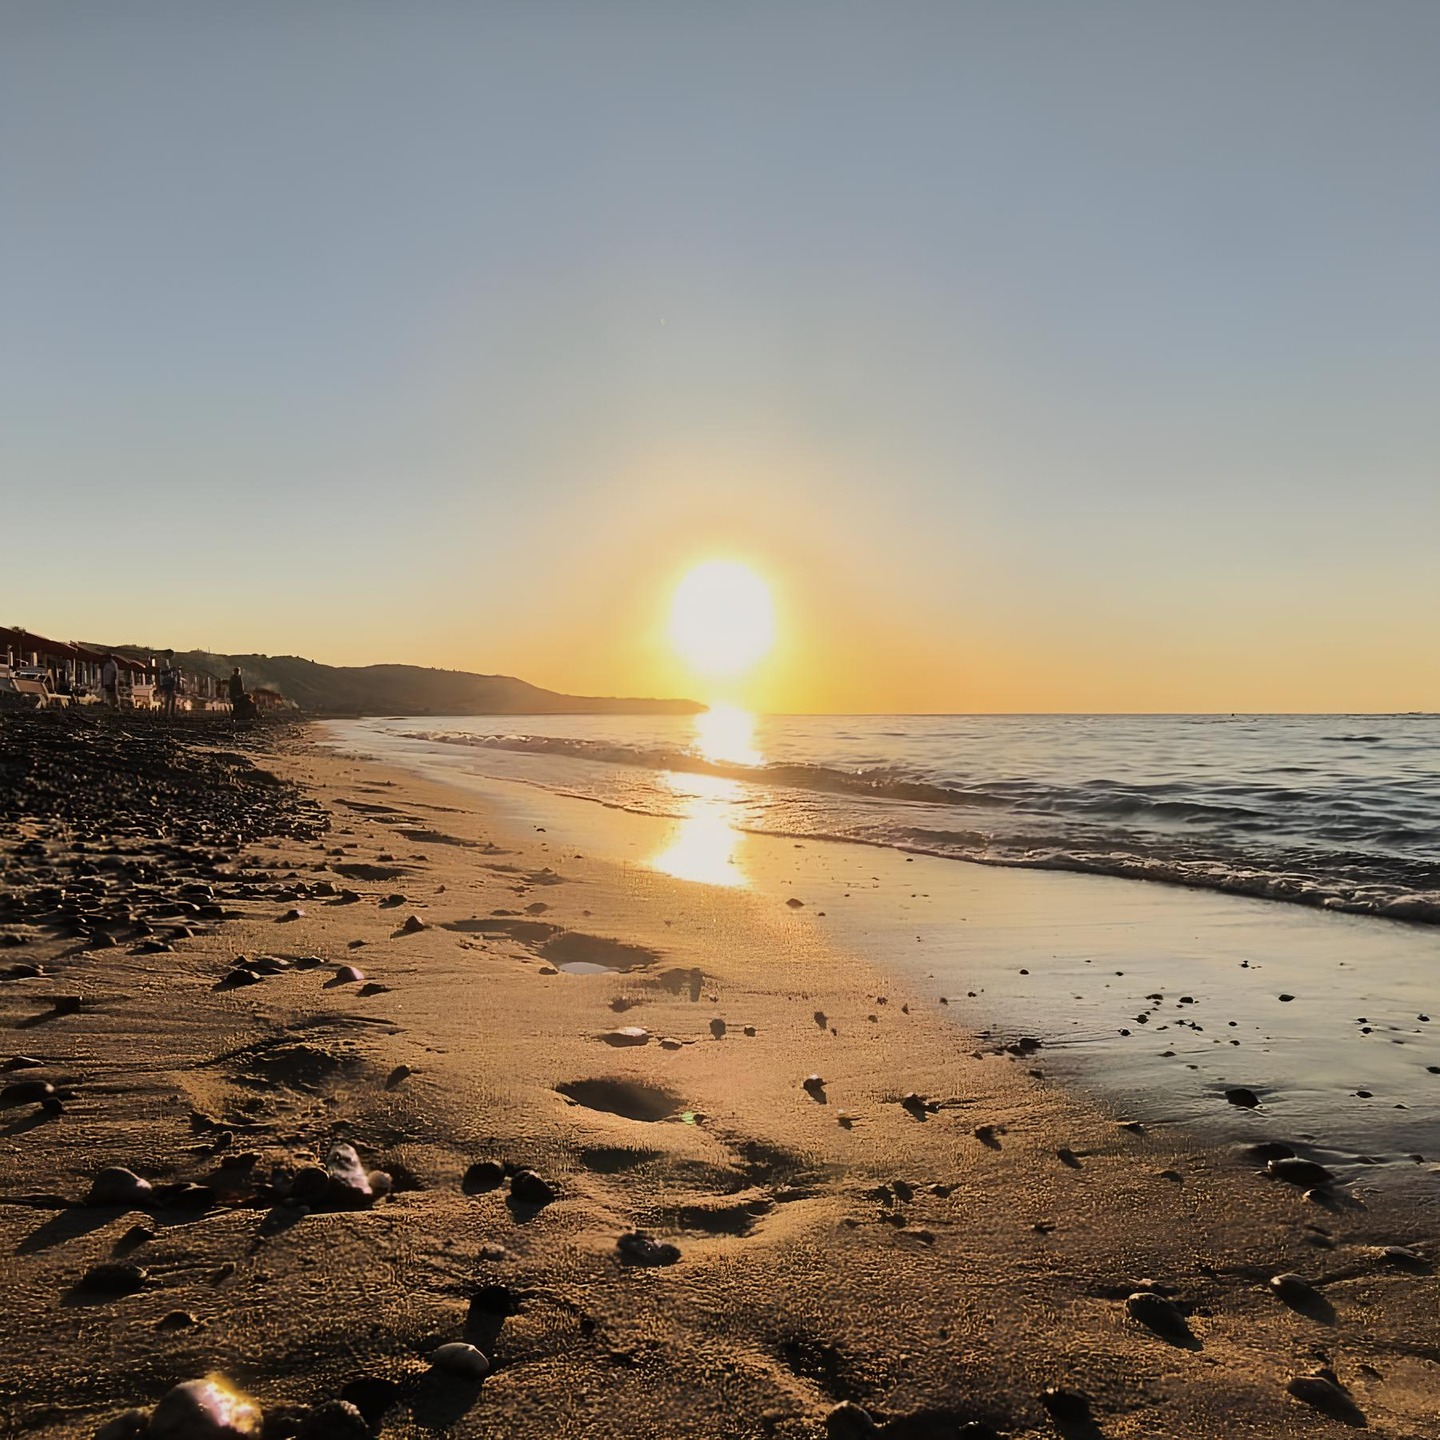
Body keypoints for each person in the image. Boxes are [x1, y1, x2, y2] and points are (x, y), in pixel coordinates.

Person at [157, 650, 181, 718]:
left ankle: (169, 713)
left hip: (167, 683)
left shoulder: (166, 661)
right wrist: (170, 670)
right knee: (168, 698)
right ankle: (167, 713)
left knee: (170, 697)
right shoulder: (163, 661)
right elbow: (161, 672)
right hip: (165, 683)